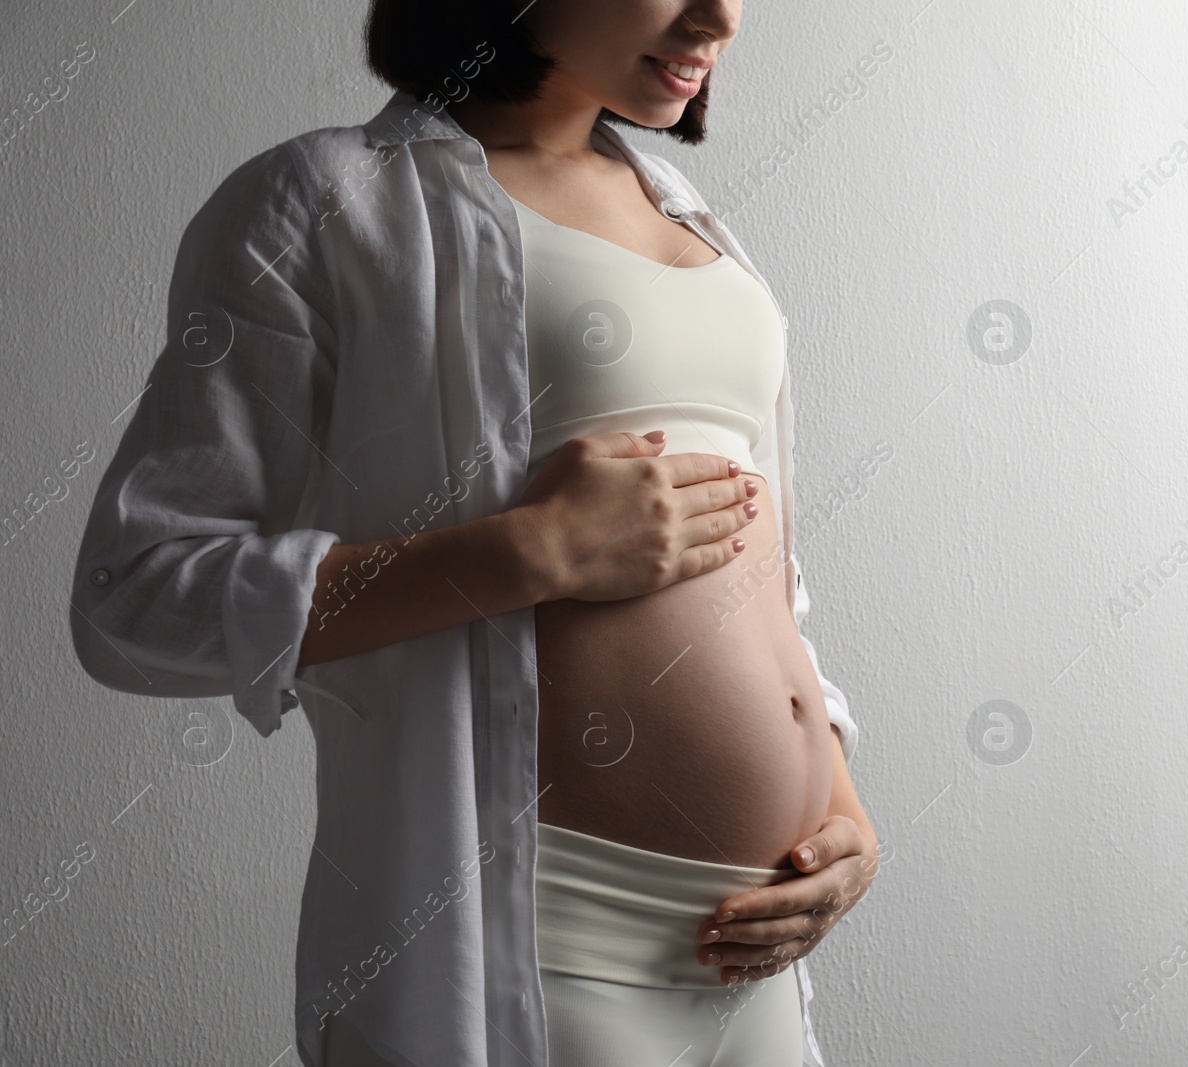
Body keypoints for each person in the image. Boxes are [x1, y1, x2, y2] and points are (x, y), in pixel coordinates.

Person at [66, 1, 877, 1064]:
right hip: (539, 951)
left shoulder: (694, 221)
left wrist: (840, 800)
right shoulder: (326, 203)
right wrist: (525, 552)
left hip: (756, 954)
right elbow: (135, 597)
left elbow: (763, 574)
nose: (719, 11)